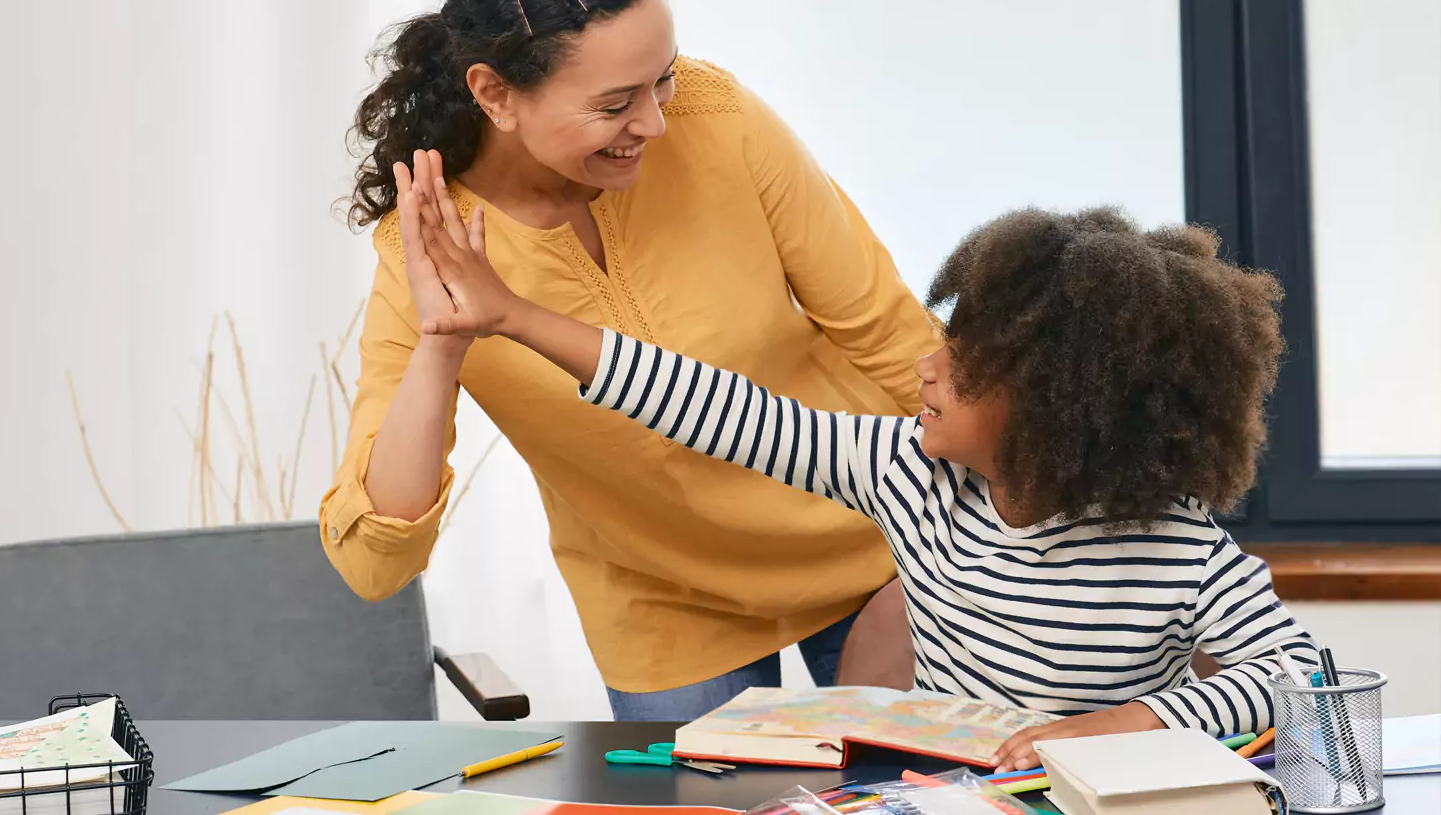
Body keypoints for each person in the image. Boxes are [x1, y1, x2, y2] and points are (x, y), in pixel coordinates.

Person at [399, 186, 1320, 771]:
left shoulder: (1173, 544)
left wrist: (1117, 725)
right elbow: (718, 407)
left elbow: (1296, 672)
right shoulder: (908, 476)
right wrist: (515, 316)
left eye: (962, 362)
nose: (926, 366)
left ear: (1057, 406)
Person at [319, 0, 942, 721]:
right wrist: (442, 343)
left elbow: (892, 336)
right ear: (494, 94)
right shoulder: (429, 247)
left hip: (876, 542)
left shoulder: (721, 120)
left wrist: (963, 545)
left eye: (663, 79)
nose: (655, 123)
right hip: (666, 607)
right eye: (615, 104)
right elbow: (374, 561)